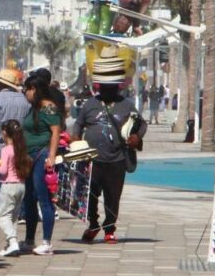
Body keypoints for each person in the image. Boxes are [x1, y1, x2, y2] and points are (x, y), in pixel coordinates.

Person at [73, 58, 141, 244]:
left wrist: (136, 137)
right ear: (99, 86)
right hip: (91, 160)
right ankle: (93, 224)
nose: (107, 90)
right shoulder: (90, 104)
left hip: (116, 160)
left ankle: (110, 228)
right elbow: (78, 125)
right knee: (89, 196)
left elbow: (140, 124)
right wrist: (76, 140)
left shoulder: (127, 105)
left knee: (113, 197)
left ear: (117, 87)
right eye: (104, 86)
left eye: (111, 87)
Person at [21, 74, 62, 255]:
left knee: (43, 199)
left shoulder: (49, 108)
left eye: (27, 90)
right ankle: (29, 239)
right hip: (28, 158)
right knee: (29, 199)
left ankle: (46, 241)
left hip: (41, 156)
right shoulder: (33, 109)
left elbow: (55, 132)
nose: (25, 93)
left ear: (34, 89)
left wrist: (51, 156)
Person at [0, 68, 31, 213]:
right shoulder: (24, 100)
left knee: (1, 177)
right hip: (20, 145)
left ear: (0, 84)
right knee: (18, 175)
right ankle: (22, 210)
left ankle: (0, 209)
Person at [0, 119, 31, 257]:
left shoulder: (5, 150)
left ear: (5, 133)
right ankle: (11, 244)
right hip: (21, 185)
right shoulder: (21, 148)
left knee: (4, 216)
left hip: (8, 186)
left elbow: (3, 170)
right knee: (14, 216)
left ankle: (12, 241)